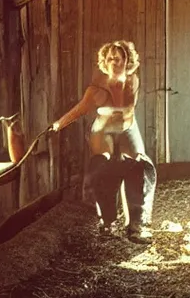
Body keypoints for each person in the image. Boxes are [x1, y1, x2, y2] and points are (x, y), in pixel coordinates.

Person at [49, 38, 156, 242]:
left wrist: (106, 109)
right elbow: (78, 110)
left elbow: (128, 111)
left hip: (126, 126)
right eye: (111, 59)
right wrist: (57, 124)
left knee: (139, 164)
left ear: (127, 60)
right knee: (103, 165)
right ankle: (107, 222)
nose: (115, 62)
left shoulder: (132, 81)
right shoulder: (94, 91)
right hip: (103, 128)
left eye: (119, 58)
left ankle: (138, 225)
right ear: (104, 63)